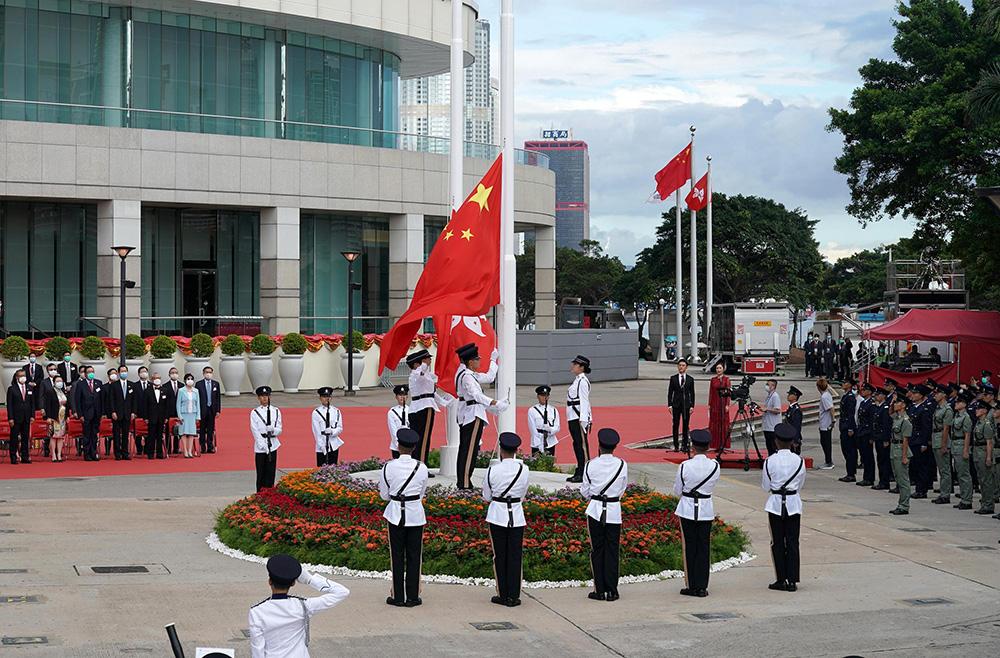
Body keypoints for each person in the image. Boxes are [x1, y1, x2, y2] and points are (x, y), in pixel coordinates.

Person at [247, 553, 350, 658]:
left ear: (269, 581)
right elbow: (342, 592)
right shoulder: (303, 606)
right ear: (293, 583)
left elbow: (257, 649)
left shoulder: (257, 612)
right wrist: (310, 579)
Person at [379, 428, 429, 607]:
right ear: (414, 447)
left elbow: (384, 495)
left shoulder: (388, 467)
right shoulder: (422, 467)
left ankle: (398, 596)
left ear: (398, 446)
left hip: (395, 514)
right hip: (415, 514)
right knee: (415, 556)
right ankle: (413, 596)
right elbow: (421, 493)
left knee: (397, 556)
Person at [580, 428, 628, 602]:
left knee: (597, 550)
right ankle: (612, 590)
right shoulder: (622, 464)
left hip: (595, 510)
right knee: (612, 550)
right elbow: (622, 489)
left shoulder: (590, 465)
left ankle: (599, 590)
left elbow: (585, 491)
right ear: (615, 446)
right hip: (614, 510)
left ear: (599, 446)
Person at [483, 431, 530, 607]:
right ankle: (514, 595)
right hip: (516, 515)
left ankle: (503, 594)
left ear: (501, 450)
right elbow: (523, 494)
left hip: (497, 515)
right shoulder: (524, 469)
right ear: (516, 450)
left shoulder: (492, 470)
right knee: (515, 555)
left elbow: (487, 496)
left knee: (500, 555)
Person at [673, 429, 720, 597]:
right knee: (703, 547)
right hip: (705, 509)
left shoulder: (685, 466)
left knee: (690, 547)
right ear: (708, 447)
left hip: (687, 509)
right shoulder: (715, 466)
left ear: (693, 446)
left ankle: (692, 584)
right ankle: (702, 586)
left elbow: (677, 490)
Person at [761, 422, 806, 592]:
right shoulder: (799, 461)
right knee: (793, 541)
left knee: (777, 542)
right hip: (793, 503)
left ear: (776, 442)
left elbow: (766, 486)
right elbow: (800, 485)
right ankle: (792, 580)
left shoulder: (770, 461)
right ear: (792, 442)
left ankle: (781, 579)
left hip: (775, 504)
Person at [455, 344, 505, 489]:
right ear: (470, 362)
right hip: (472, 414)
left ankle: (465, 481)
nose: (479, 361)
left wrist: (493, 360)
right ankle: (464, 483)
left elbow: (489, 377)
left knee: (468, 449)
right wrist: (495, 403)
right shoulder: (467, 377)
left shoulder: (468, 374)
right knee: (469, 450)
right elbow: (476, 395)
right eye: (477, 359)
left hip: (470, 413)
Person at [405, 349, 440, 469]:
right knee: (423, 438)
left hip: (419, 407)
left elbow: (431, 393)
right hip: (424, 407)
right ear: (416, 364)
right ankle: (421, 465)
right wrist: (424, 364)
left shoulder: (423, 375)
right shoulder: (417, 373)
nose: (429, 360)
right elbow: (421, 373)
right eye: (426, 359)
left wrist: (445, 402)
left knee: (419, 438)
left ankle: (416, 464)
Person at [566, 354, 593, 483]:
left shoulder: (582, 381)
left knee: (582, 446)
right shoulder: (577, 380)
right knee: (576, 444)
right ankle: (579, 470)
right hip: (573, 416)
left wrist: (584, 420)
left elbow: (584, 401)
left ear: (582, 367)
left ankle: (584, 472)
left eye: (576, 364)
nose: (573, 366)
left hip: (578, 418)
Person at [250, 386, 282, 492]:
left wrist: (273, 430)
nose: (264, 398)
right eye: (262, 396)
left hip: (273, 444)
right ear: (258, 398)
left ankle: (269, 495)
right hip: (261, 446)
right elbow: (254, 430)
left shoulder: (276, 411)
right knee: (261, 473)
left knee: (271, 473)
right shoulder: (255, 412)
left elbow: (279, 429)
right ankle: (260, 495)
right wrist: (263, 445)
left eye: (266, 396)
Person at [909, 384, 934, 499]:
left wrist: (924, 442)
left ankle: (922, 490)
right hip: (913, 439)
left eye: (916, 393)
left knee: (922, 466)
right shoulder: (913, 407)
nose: (913, 395)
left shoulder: (924, 409)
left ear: (921, 395)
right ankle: (918, 488)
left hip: (920, 440)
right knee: (915, 465)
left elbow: (926, 427)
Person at [931, 384, 955, 504]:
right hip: (936, 438)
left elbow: (946, 429)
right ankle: (943, 492)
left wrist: (944, 445)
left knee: (945, 469)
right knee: (941, 469)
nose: (935, 395)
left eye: (938, 393)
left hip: (942, 439)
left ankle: (945, 495)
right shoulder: (938, 408)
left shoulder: (947, 409)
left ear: (944, 395)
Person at [72, 366, 102, 461]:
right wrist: (80, 414)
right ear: (85, 374)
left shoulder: (98, 383)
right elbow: (77, 400)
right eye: (89, 372)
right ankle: (87, 453)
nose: (91, 373)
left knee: (94, 434)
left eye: (92, 371)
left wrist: (101, 413)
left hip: (96, 413)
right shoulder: (80, 384)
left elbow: (101, 399)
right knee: (87, 435)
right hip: (86, 414)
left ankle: (94, 453)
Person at [889, 397, 913, 515]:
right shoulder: (897, 418)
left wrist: (904, 456)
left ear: (903, 405)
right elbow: (890, 413)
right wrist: (892, 401)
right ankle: (900, 503)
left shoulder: (905, 420)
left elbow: (905, 440)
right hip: (894, 450)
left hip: (901, 450)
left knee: (903, 480)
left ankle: (904, 505)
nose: (895, 404)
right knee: (898, 478)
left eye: (897, 402)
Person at [950, 393, 974, 510]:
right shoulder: (957, 416)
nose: (956, 404)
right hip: (955, 445)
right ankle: (964, 498)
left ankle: (967, 500)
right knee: (959, 473)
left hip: (961, 445)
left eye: (958, 402)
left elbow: (967, 435)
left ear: (964, 404)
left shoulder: (966, 417)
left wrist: (965, 450)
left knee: (964, 474)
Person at [6, 369, 35, 464]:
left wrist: (32, 415)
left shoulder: (29, 388)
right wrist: (10, 418)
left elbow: (32, 403)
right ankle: (13, 457)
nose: (23, 377)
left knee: (25, 438)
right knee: (14, 438)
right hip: (16, 417)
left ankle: (25, 457)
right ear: (17, 377)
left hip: (26, 417)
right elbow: (10, 405)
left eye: (24, 375)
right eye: (21, 376)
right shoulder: (12, 389)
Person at [667, 358, 696, 453]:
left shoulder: (690, 379)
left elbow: (692, 393)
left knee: (685, 425)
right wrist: (670, 405)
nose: (681, 367)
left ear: (686, 367)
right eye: (679, 365)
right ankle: (676, 445)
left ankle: (685, 445)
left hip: (686, 405)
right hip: (676, 405)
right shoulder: (673, 378)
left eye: (683, 366)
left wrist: (692, 406)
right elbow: (670, 392)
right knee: (675, 424)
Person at [108, 365, 136, 460]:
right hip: (117, 413)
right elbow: (111, 400)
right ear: (119, 373)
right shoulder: (114, 385)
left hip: (127, 413)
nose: (124, 373)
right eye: (122, 371)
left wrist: (133, 412)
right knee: (116, 434)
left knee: (125, 434)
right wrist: (113, 411)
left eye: (125, 371)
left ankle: (125, 453)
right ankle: (117, 453)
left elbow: (134, 400)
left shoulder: (131, 385)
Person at [972, 402, 995, 516]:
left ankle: (989, 505)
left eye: (979, 408)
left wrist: (989, 457)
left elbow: (989, 442)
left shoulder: (986, 424)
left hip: (983, 452)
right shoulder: (979, 423)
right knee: (981, 479)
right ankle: (984, 503)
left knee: (986, 480)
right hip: (977, 452)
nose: (976, 410)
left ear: (985, 411)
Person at [312, 387, 344, 466]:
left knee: (333, 468)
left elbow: (340, 428)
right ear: (320, 398)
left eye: (328, 396)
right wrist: (322, 446)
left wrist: (332, 431)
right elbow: (316, 432)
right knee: (321, 469)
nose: (327, 399)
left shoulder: (336, 411)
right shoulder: (316, 412)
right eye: (324, 396)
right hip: (322, 446)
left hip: (334, 444)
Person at [144, 373, 171, 460]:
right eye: (155, 378)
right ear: (152, 379)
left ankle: (160, 453)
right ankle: (150, 453)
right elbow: (145, 405)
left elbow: (167, 406)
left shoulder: (165, 390)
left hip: (161, 417)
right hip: (151, 417)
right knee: (151, 436)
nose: (157, 379)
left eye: (159, 378)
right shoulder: (147, 391)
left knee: (160, 435)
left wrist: (166, 417)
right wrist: (146, 417)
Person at [527, 385, 560, 456]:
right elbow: (532, 428)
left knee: (550, 461)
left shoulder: (554, 410)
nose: (544, 397)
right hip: (537, 441)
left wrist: (550, 430)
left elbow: (557, 427)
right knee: (536, 462)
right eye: (542, 395)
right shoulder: (532, 410)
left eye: (546, 395)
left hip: (550, 442)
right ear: (538, 396)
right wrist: (538, 444)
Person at [872, 387, 893, 491]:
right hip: (878, 437)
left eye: (878, 395)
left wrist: (886, 439)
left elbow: (886, 425)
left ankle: (884, 482)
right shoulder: (879, 407)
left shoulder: (885, 408)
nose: (876, 396)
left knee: (884, 460)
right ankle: (882, 480)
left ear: (883, 396)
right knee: (880, 460)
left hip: (882, 437)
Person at [837, 378, 858, 483]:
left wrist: (850, 428)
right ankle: (850, 472)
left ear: (850, 385)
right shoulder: (846, 396)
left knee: (849, 451)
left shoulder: (850, 397)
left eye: (845, 383)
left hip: (847, 426)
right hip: (844, 425)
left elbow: (850, 414)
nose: (843, 384)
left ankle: (851, 473)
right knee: (846, 450)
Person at [44, 375, 69, 462]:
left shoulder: (64, 392)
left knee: (60, 436)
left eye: (61, 381)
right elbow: (47, 405)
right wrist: (48, 417)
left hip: (62, 418)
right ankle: (53, 454)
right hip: (54, 417)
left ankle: (59, 454)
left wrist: (67, 416)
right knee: (54, 436)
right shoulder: (50, 391)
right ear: (54, 383)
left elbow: (67, 405)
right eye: (57, 381)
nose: (59, 383)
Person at [196, 366, 221, 454]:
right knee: (202, 429)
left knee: (210, 429)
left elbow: (218, 398)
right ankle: (203, 446)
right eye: (207, 372)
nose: (208, 374)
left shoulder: (216, 384)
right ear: (203, 373)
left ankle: (210, 446)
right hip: (202, 409)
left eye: (210, 372)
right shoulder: (199, 384)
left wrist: (218, 410)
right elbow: (197, 398)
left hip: (212, 410)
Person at [175, 374, 201, 459]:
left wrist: (198, 416)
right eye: (188, 379)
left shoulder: (196, 391)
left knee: (191, 433)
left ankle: (190, 451)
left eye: (191, 379)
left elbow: (198, 404)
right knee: (183, 432)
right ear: (185, 380)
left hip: (192, 414)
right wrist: (179, 416)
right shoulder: (181, 390)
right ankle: (185, 450)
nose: (190, 380)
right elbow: (178, 404)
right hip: (184, 414)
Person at [855, 383, 876, 487]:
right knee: (864, 455)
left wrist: (872, 436)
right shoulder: (863, 403)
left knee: (868, 457)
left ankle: (869, 478)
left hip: (867, 432)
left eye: (864, 390)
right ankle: (866, 477)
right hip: (862, 431)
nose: (862, 391)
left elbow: (872, 421)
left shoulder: (871, 404)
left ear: (870, 392)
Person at [707, 362, 731, 452]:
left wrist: (727, 404)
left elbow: (728, 393)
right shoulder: (713, 380)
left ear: (723, 369)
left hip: (723, 403)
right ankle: (715, 444)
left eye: (720, 368)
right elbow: (711, 393)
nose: (718, 370)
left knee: (723, 423)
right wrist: (709, 404)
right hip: (715, 403)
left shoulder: (726, 379)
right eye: (717, 368)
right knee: (714, 423)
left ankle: (723, 444)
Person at [386, 385, 410, 460]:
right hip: (397, 447)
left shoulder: (411, 410)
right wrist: (399, 446)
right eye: (400, 395)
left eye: (404, 395)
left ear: (407, 396)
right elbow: (393, 431)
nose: (402, 397)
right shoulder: (392, 412)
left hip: (409, 445)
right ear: (396, 397)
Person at [816, 378, 835, 469]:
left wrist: (833, 420)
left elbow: (831, 408)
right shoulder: (826, 395)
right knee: (824, 442)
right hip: (824, 422)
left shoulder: (824, 397)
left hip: (825, 423)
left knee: (826, 442)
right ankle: (828, 461)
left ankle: (829, 462)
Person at [132, 365, 151, 455]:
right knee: (137, 431)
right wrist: (134, 411)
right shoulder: (134, 385)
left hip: (149, 412)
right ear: (139, 374)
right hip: (138, 411)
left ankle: (147, 448)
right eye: (142, 372)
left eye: (145, 372)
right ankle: (139, 448)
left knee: (149, 431)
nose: (144, 373)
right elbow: (133, 400)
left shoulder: (151, 385)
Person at [761, 379, 782, 455]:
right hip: (767, 426)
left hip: (773, 427)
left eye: (768, 384)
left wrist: (767, 409)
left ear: (773, 386)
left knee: (773, 447)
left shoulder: (775, 396)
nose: (766, 386)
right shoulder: (769, 396)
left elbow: (778, 410)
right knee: (769, 446)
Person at [166, 367, 182, 454]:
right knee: (168, 431)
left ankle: (176, 448)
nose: (174, 374)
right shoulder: (165, 386)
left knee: (178, 430)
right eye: (172, 373)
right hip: (169, 412)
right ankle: (168, 448)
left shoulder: (182, 385)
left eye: (176, 372)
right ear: (169, 375)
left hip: (179, 412)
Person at [784, 386, 803, 454]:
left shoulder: (796, 410)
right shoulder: (791, 408)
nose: (788, 396)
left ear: (795, 397)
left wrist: (795, 440)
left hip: (793, 438)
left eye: (790, 394)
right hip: (789, 437)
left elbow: (797, 426)